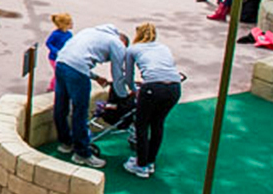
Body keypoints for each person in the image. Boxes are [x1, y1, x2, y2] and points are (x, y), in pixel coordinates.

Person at [52, 24, 132, 168]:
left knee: (61, 106)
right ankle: (82, 154)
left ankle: (65, 143)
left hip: (61, 64)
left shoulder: (91, 31)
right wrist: (123, 95)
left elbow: (76, 57)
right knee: (80, 111)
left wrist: (95, 77)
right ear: (123, 43)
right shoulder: (117, 44)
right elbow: (118, 74)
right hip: (77, 71)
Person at [123, 23, 181, 179]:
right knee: (158, 123)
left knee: (141, 125)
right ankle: (150, 161)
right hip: (174, 88)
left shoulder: (133, 49)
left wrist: (134, 90)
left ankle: (140, 164)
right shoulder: (164, 48)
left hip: (152, 88)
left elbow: (128, 77)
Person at [44, 13, 73, 91]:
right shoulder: (55, 34)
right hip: (54, 58)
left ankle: (58, 86)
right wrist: (55, 51)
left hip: (64, 57)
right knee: (58, 73)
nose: (72, 24)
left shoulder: (69, 34)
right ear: (63, 25)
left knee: (62, 72)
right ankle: (52, 87)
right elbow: (48, 43)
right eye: (69, 23)